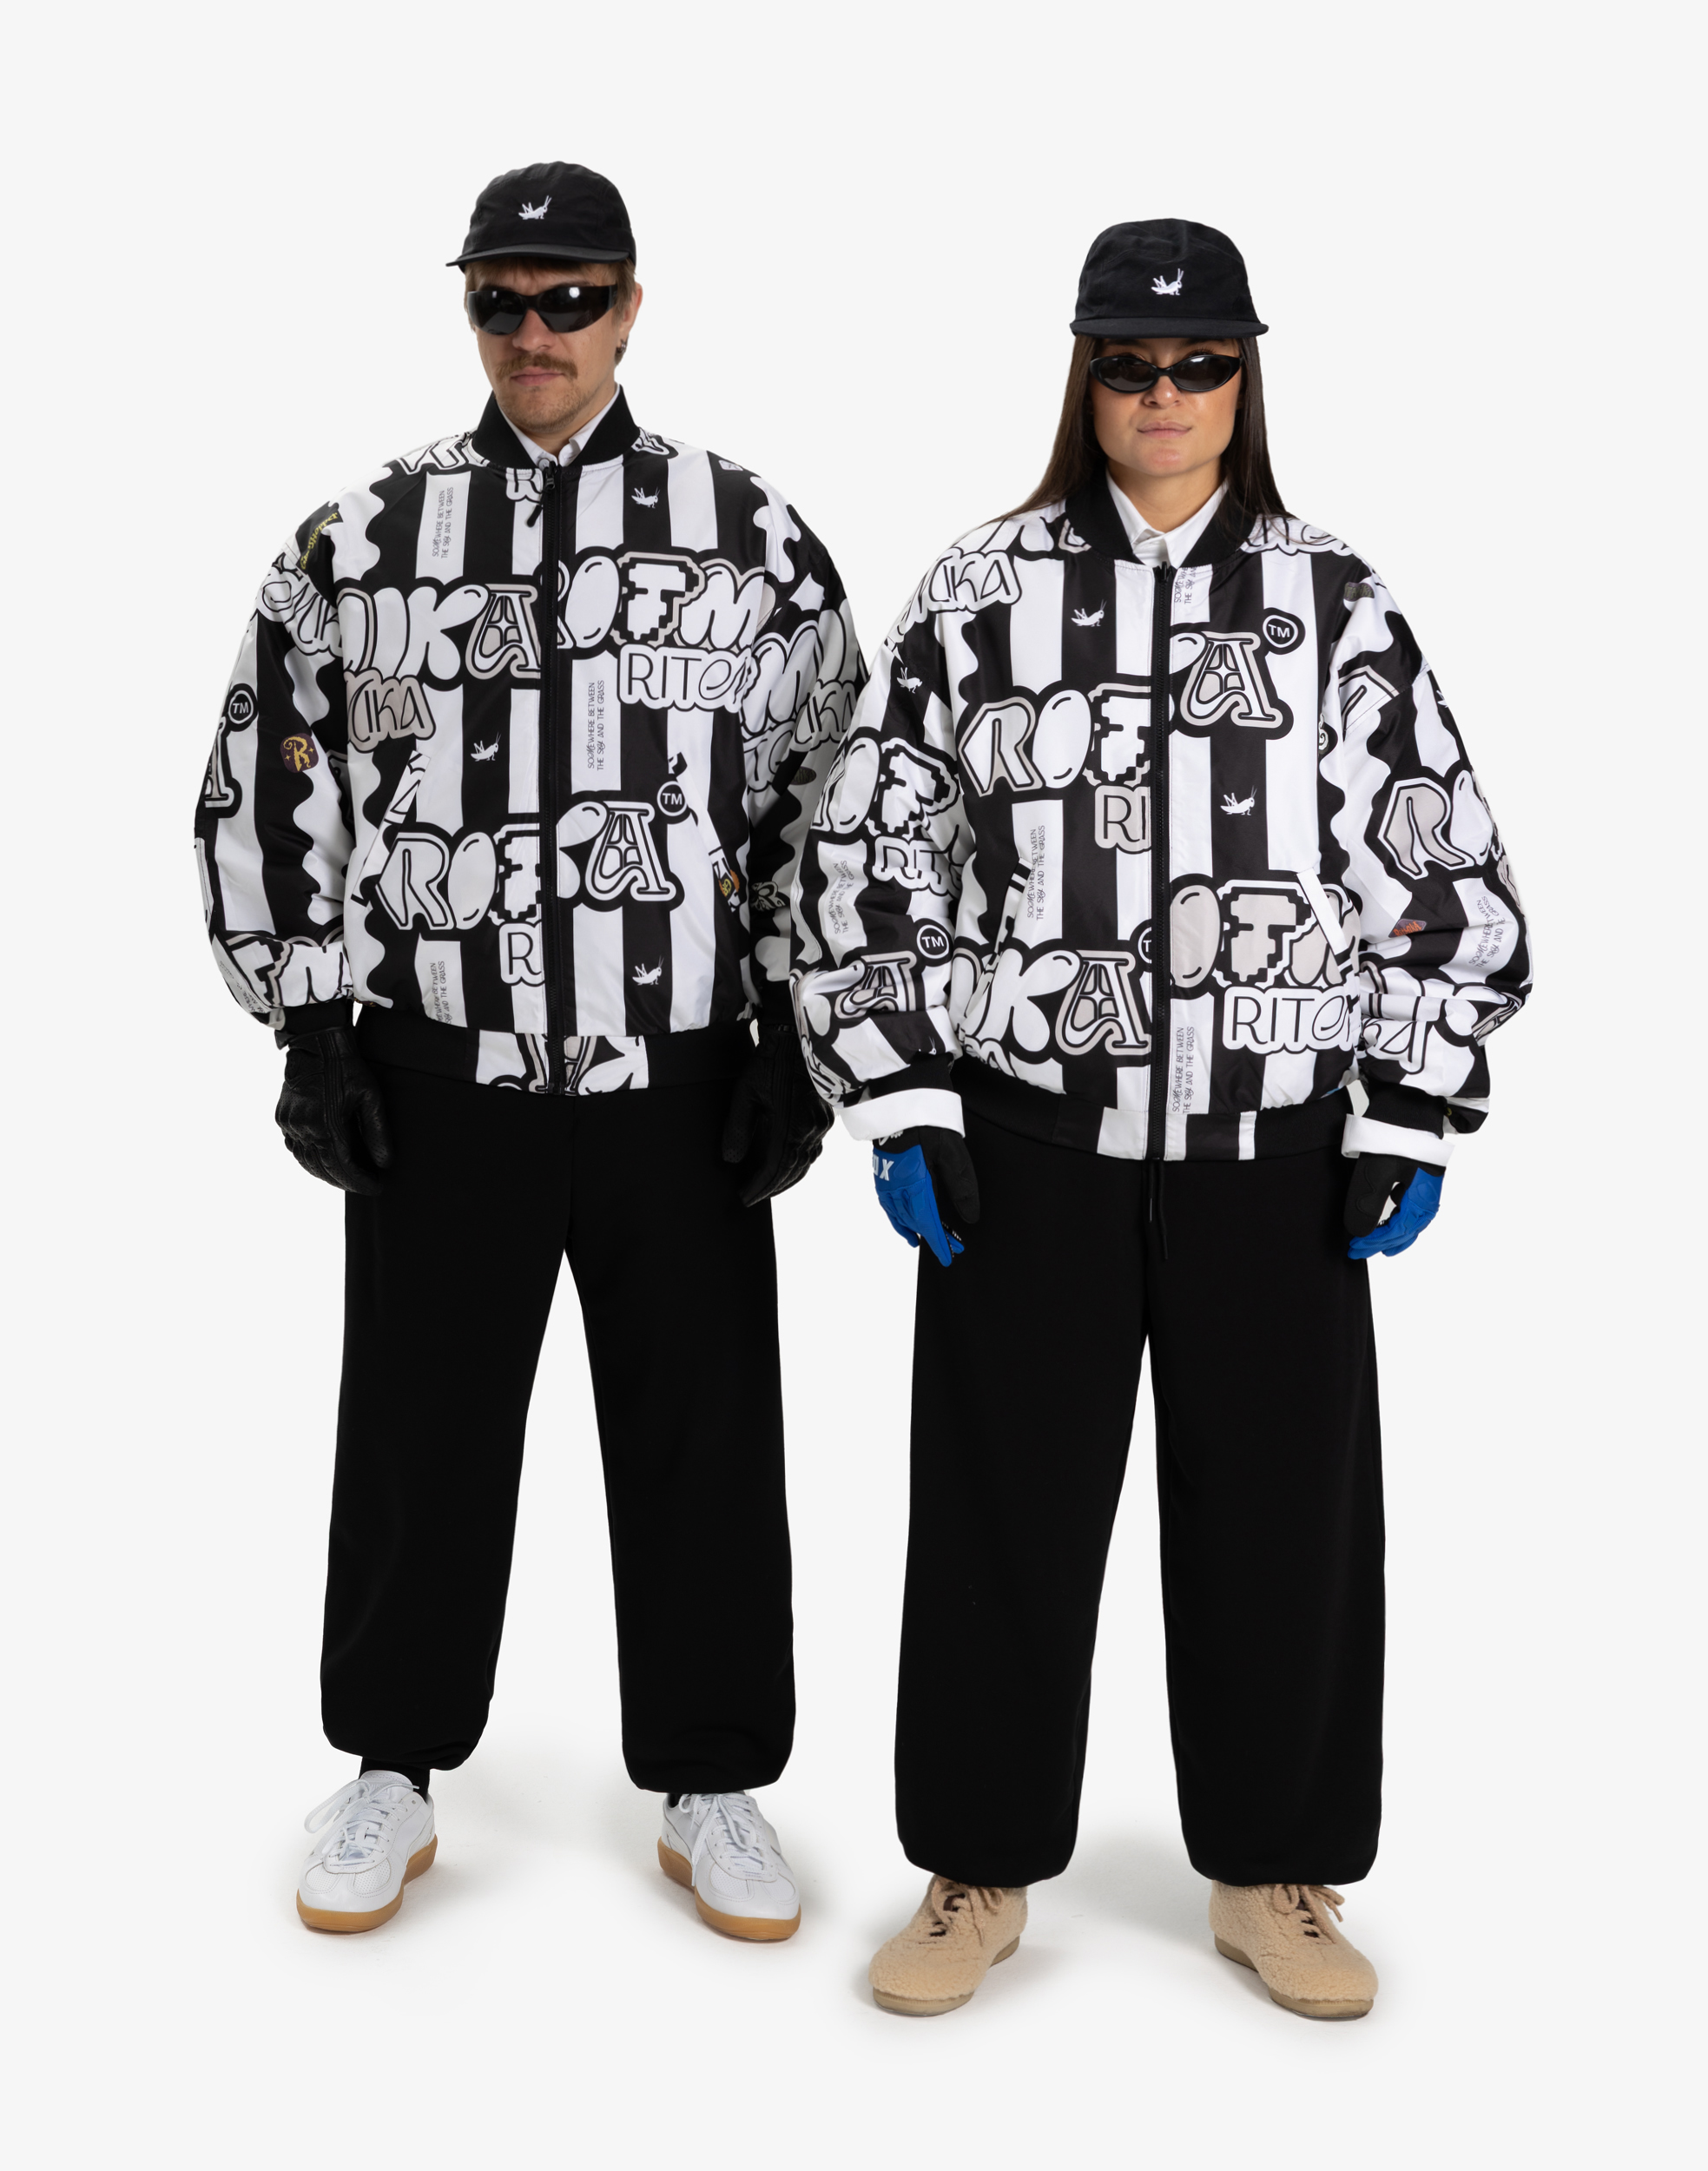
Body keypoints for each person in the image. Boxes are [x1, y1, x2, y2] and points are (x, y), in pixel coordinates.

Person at [792, 218, 1530, 2018]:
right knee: (1000, 1519)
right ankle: (975, 1869)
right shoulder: (980, 590)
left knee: (1284, 1527)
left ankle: (1276, 1874)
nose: (1164, 393)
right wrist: (905, 1090)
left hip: (1269, 1165)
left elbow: (1438, 863)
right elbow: (871, 848)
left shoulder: (1332, 597)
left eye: (1200, 363)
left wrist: (1407, 1098)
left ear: (1245, 376)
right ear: (1085, 372)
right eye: (1129, 361)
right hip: (1029, 1150)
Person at [196, 161, 861, 1939]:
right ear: (471, 310)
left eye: (570, 298)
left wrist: (796, 1034)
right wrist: (311, 1019)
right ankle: (392, 1769)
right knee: (418, 1432)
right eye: (502, 298)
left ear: (631, 306)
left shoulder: (747, 532)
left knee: (703, 1432)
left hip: (677, 1072)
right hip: (442, 1070)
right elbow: (273, 764)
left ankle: (711, 1778)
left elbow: (832, 783)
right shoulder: (362, 537)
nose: (535, 331)